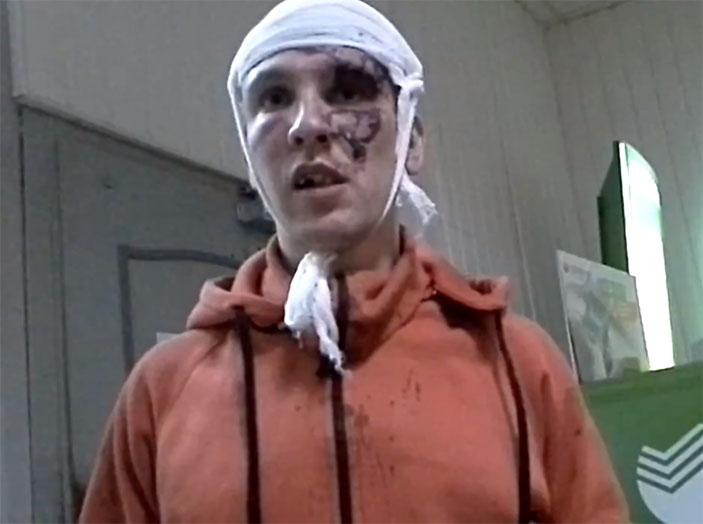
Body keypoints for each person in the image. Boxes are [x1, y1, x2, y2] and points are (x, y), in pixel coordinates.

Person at [79, 0, 628, 522]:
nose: (307, 125)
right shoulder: (163, 390)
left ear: (411, 141)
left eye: (345, 91)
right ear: (249, 154)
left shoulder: (518, 363)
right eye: (274, 97)